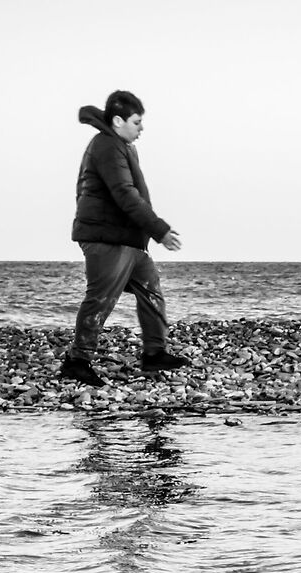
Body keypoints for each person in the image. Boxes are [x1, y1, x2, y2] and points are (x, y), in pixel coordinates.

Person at [61, 89, 190, 386]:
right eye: (136, 121)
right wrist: (160, 231)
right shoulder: (106, 145)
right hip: (107, 238)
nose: (141, 128)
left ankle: (154, 353)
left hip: (128, 239)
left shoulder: (122, 145)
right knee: (100, 299)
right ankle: (77, 361)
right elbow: (125, 194)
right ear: (118, 120)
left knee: (151, 289)